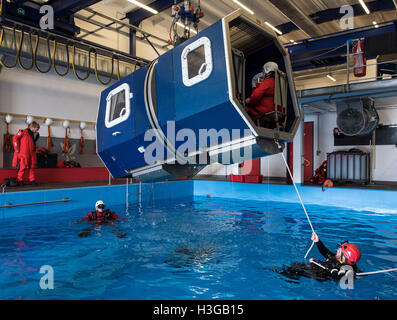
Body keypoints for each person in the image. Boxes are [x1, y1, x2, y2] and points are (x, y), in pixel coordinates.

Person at [279, 232, 362, 282]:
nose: (337, 250)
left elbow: (344, 276)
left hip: (317, 274)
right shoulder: (339, 259)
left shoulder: (345, 269)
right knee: (295, 264)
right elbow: (326, 253)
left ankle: (288, 281)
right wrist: (317, 241)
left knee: (294, 268)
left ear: (343, 258)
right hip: (317, 268)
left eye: (339, 251)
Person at [245, 61, 282, 127]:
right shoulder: (278, 83)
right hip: (277, 110)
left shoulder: (267, 81)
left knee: (245, 111)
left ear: (267, 70)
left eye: (263, 70)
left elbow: (255, 96)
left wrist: (249, 101)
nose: (263, 72)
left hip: (266, 110)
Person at [12, 121, 40, 186]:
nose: (37, 130)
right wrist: (16, 149)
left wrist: (36, 135)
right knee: (23, 166)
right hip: (24, 152)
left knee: (32, 166)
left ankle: (32, 179)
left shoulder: (36, 134)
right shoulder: (23, 132)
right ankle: (19, 179)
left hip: (32, 152)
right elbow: (15, 138)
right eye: (36, 128)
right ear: (32, 127)